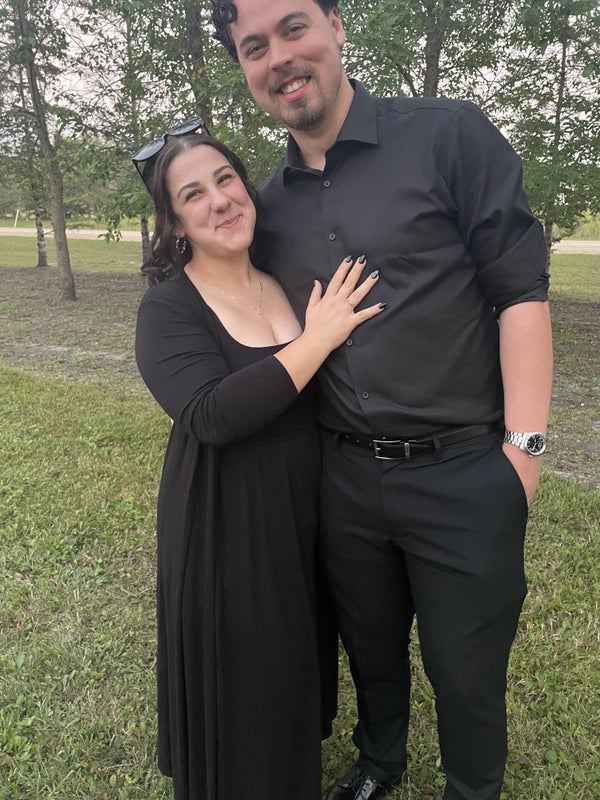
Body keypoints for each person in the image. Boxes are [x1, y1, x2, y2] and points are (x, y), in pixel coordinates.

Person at [209, 2, 554, 800]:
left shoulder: (448, 136)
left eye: (293, 27)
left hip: (466, 469)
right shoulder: (267, 208)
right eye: (254, 47)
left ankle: (473, 789)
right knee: (369, 646)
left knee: (466, 665)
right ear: (244, 68)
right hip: (346, 478)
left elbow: (519, 293)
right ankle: (379, 763)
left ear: (336, 24)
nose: (279, 58)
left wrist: (524, 454)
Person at [132, 124, 385, 800]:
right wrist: (319, 337)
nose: (219, 199)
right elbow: (212, 414)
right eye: (193, 193)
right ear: (174, 223)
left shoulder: (285, 281)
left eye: (225, 180)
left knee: (294, 662)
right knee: (245, 676)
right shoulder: (168, 308)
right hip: (226, 520)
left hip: (305, 511)